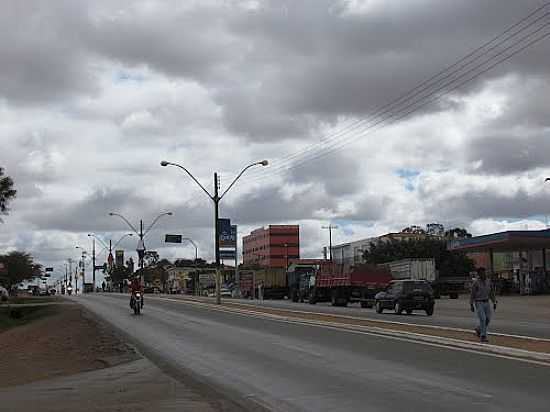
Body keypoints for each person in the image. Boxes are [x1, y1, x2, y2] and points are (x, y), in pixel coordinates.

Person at [470, 267, 497, 343]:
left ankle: (479, 329)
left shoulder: (488, 281)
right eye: (481, 273)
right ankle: (483, 336)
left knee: (488, 318)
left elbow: (491, 293)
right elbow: (472, 294)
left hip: (487, 302)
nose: (484, 274)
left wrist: (494, 302)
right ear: (479, 274)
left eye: (484, 272)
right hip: (479, 302)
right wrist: (471, 304)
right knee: (483, 318)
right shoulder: (476, 283)